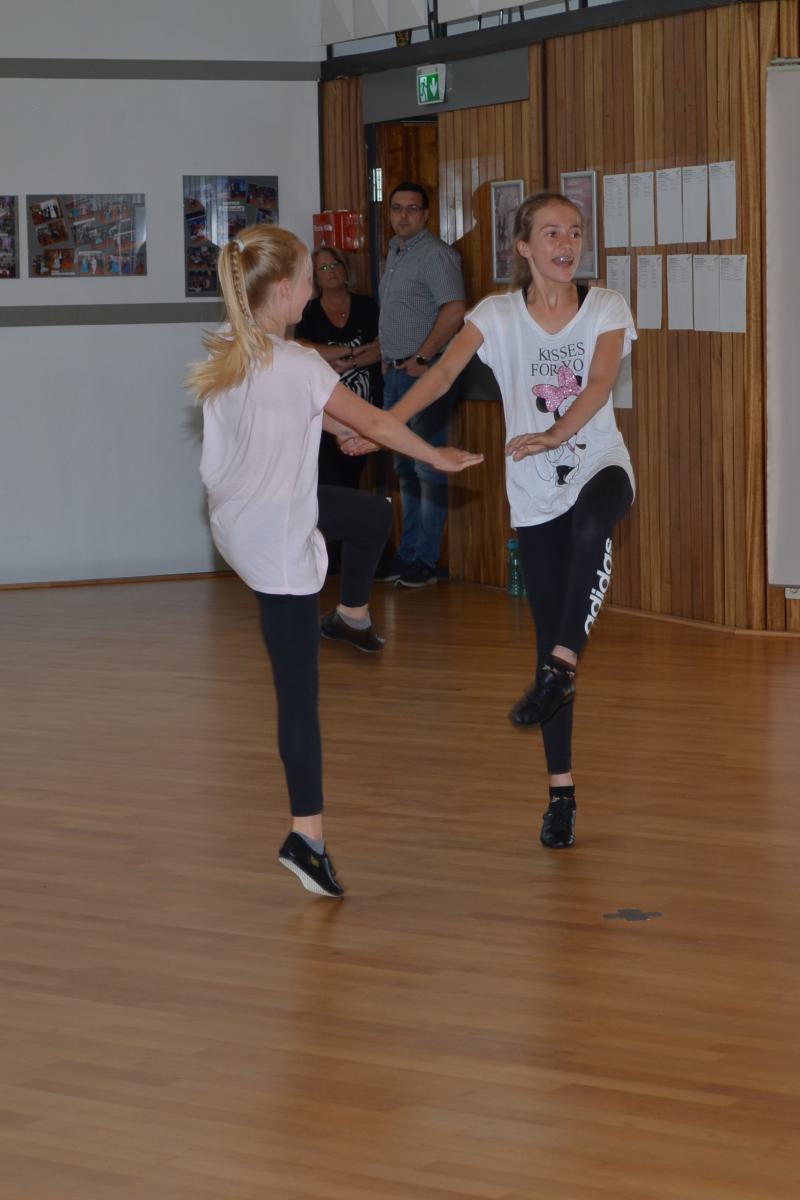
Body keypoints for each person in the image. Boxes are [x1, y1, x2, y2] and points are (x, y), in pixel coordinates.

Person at [187, 224, 483, 898]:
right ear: (283, 289)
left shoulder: (233, 345)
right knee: (299, 696)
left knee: (371, 516)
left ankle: (351, 615)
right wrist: (434, 454)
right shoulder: (298, 364)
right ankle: (307, 838)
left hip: (240, 519)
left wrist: (336, 425)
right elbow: (375, 422)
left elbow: (290, 411)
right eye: (305, 278)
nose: (313, 290)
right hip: (275, 540)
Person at [345, 192, 635, 850]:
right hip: (533, 492)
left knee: (593, 526)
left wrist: (555, 433)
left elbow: (598, 385)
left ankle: (563, 665)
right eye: (552, 233)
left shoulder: (606, 306)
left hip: (599, 465)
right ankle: (561, 794)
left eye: (575, 232)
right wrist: (383, 426)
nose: (567, 243)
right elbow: (442, 372)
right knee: (545, 640)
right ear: (523, 248)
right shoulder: (497, 315)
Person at [376, 182, 466, 588]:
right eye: (397, 208)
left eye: (412, 209)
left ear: (426, 214)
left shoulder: (435, 254)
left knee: (427, 467)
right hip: (395, 372)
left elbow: (455, 310)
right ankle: (407, 553)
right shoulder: (396, 252)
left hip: (425, 377)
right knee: (404, 468)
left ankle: (426, 560)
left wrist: (425, 357)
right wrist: (386, 357)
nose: (403, 216)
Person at [294, 245, 381, 489]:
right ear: (315, 277)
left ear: (345, 269)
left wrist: (349, 363)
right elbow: (306, 349)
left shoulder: (366, 305)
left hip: (365, 405)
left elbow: (380, 348)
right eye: (323, 268)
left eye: (334, 265)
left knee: (354, 472)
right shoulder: (309, 311)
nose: (330, 271)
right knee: (330, 475)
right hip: (326, 410)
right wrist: (353, 350)